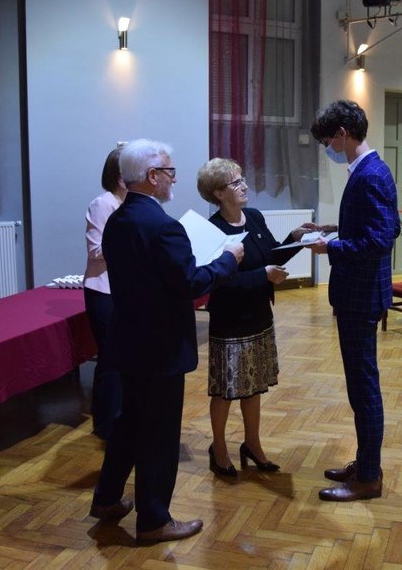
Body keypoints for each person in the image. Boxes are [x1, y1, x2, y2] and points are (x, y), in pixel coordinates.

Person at [89, 139, 244, 544]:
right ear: (152, 176)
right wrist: (228, 260)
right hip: (160, 348)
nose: (174, 179)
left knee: (128, 424)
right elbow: (191, 283)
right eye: (170, 172)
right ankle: (154, 520)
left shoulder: (118, 221)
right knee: (158, 435)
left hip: (130, 341)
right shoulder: (163, 227)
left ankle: (106, 499)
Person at [195, 158, 314, 477]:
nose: (244, 185)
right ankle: (219, 448)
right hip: (230, 321)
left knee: (254, 385)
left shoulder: (256, 217)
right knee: (225, 390)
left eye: (242, 179)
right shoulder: (212, 231)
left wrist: (296, 237)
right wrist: (263, 275)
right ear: (219, 193)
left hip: (260, 316)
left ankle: (252, 443)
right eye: (235, 182)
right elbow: (218, 282)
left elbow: (271, 254)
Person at [308, 99, 400, 502]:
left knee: (364, 389)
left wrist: (332, 247)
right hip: (360, 293)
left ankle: (368, 477)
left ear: (343, 134)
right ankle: (365, 463)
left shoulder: (369, 174)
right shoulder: (370, 170)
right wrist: (338, 228)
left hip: (361, 297)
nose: (329, 148)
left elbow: (381, 239)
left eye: (328, 141)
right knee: (361, 386)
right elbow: (387, 225)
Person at [83, 146, 126, 440]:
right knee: (110, 358)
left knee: (123, 357)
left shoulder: (131, 204)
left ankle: (120, 416)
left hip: (124, 290)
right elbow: (95, 250)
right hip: (103, 290)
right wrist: (133, 242)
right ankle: (106, 424)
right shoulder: (103, 204)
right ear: (120, 176)